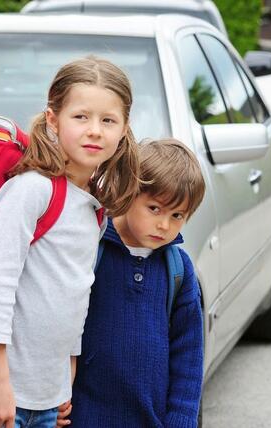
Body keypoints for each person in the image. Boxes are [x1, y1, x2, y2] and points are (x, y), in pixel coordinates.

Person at [0, 55, 141, 428]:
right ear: (53, 120)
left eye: (108, 120)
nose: (94, 130)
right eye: (81, 117)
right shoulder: (33, 190)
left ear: (123, 130)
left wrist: (63, 383)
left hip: (47, 398)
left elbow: (73, 294)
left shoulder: (93, 205)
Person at [65, 138, 206, 427]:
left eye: (177, 215)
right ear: (129, 192)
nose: (164, 225)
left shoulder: (179, 270)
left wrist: (181, 419)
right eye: (154, 208)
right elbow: (59, 327)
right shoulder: (91, 248)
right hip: (84, 416)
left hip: (150, 419)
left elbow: (188, 356)